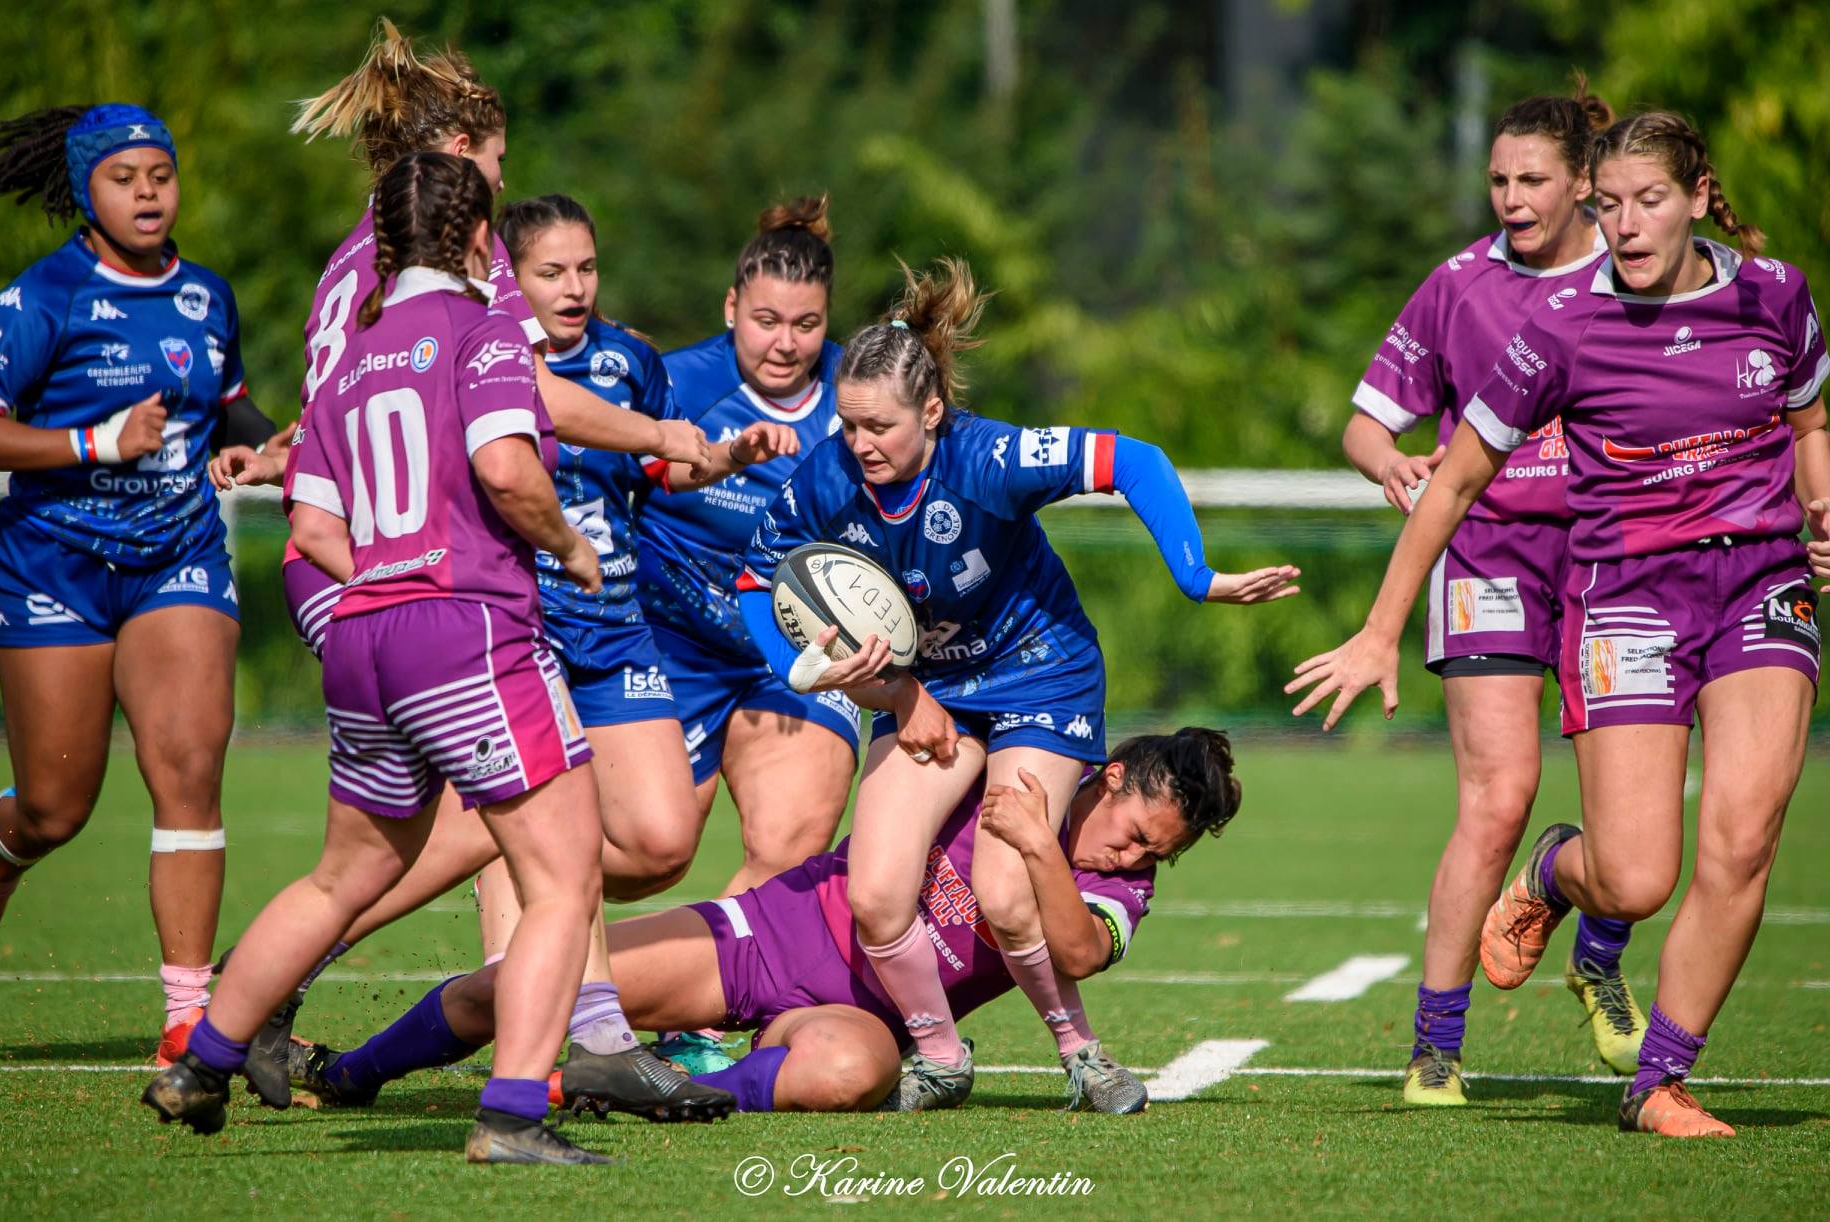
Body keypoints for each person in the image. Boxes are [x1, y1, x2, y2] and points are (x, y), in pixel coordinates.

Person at [206, 23, 722, 1121]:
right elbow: (516, 410)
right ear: (449, 160)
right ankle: (539, 1070)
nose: (504, 184)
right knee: (523, 821)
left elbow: (357, 404)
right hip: (398, 574)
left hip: (361, 561)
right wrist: (653, 439)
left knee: (477, 825)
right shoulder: (447, 273)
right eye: (493, 163)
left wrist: (295, 450)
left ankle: (254, 1000)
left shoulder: (364, 264)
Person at [1290, 112, 1828, 1139]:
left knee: (1746, 835)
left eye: (1650, 200)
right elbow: (1452, 483)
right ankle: (1552, 872)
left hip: (1760, 581)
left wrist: (1822, 510)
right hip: (1624, 593)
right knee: (1635, 875)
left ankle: (1660, 1079)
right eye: (1612, 203)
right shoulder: (1562, 320)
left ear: (1702, 197)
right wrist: (1377, 628)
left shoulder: (1776, 294)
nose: (1625, 224)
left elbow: (1810, 424)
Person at [140, 151, 618, 1166]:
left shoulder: (348, 361)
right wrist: (569, 547)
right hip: (470, 630)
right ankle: (513, 1118)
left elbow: (310, 523)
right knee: (564, 875)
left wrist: (395, 576)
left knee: (342, 876)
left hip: (361, 633)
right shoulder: (484, 329)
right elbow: (505, 465)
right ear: (480, 239)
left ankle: (200, 1061)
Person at [737, 256, 1300, 1108]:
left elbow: (1134, 460)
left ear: (931, 411)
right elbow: (753, 580)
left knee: (1006, 886)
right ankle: (940, 1055)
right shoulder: (827, 478)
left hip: (1042, 677)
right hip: (930, 687)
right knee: (878, 891)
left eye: (880, 426)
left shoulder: (992, 457)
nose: (860, 445)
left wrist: (1195, 576)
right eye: (847, 425)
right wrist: (808, 670)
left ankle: (1079, 1053)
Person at [292, 729, 1242, 1115]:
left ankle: (683, 1084)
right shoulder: (1009, 767)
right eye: (1133, 838)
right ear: (1111, 778)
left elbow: (1077, 949)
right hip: (773, 937)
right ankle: (349, 1074)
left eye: (1155, 857)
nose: (1132, 861)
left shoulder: (1115, 889)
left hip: (865, 1013)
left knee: (852, 1075)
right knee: (527, 989)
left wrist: (1040, 852)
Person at [1341, 83, 1648, 1105]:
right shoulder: (1459, 285)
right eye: (1498, 180)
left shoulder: (1636, 277)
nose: (1511, 198)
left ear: (1582, 185)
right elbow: (1367, 424)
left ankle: (1594, 942)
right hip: (1489, 553)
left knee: (1631, 823)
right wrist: (1388, 463)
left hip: (1618, 557)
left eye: (1532, 180)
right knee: (1497, 794)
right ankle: (1436, 1047)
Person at [0, 104, 277, 1062]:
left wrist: (264, 448)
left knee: (190, 765)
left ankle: (188, 1017)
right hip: (51, 566)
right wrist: (92, 443)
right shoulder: (41, 299)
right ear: (86, 192)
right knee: (53, 808)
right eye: (125, 177)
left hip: (177, 555)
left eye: (161, 172)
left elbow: (230, 411)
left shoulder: (208, 297)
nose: (148, 191)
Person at [630, 195, 860, 1071]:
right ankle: (554, 964)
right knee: (649, 854)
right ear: (731, 308)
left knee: (790, 843)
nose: (785, 342)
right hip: (666, 645)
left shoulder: (856, 394)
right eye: (765, 319)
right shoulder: (675, 383)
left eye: (805, 324)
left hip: (792, 655)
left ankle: (691, 1026)